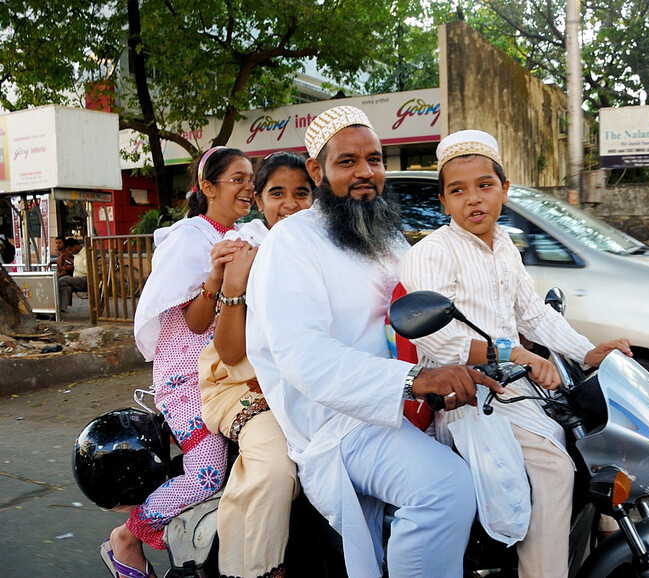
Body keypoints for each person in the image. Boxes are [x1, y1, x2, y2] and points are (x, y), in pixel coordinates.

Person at [245, 106, 502, 578]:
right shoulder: (292, 243)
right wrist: (413, 380)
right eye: (348, 162)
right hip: (342, 424)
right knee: (446, 489)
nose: (365, 172)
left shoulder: (387, 239)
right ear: (318, 171)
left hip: (410, 405)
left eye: (375, 159)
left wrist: (501, 348)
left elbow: (431, 315)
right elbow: (303, 356)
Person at [400, 129, 633, 578]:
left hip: (515, 394)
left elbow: (534, 315)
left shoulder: (505, 245)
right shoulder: (433, 252)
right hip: (468, 399)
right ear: (444, 202)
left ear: (504, 191)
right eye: (458, 190)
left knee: (596, 439)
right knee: (554, 469)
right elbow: (438, 340)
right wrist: (520, 356)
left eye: (484, 186)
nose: (473, 200)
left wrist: (590, 352)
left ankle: (604, 544)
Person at [102, 147, 252, 578]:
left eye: (252, 179)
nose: (248, 187)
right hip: (187, 380)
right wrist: (217, 277)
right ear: (208, 187)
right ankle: (128, 538)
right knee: (207, 474)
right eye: (237, 178)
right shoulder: (189, 239)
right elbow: (193, 322)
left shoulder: (250, 233)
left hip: (232, 374)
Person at [198, 152, 313, 578]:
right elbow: (229, 353)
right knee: (274, 469)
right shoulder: (245, 251)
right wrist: (234, 282)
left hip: (309, 383)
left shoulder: (323, 245)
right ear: (259, 200)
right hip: (243, 385)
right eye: (276, 193)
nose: (290, 204)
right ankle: (254, 570)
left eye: (302, 193)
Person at [57, 238, 85, 312]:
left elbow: (87, 270)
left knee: (63, 280)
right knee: (65, 286)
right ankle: (61, 309)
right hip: (77, 279)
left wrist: (74, 267)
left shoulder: (85, 254)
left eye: (70, 249)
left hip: (85, 278)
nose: (70, 252)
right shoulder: (76, 256)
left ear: (75, 246)